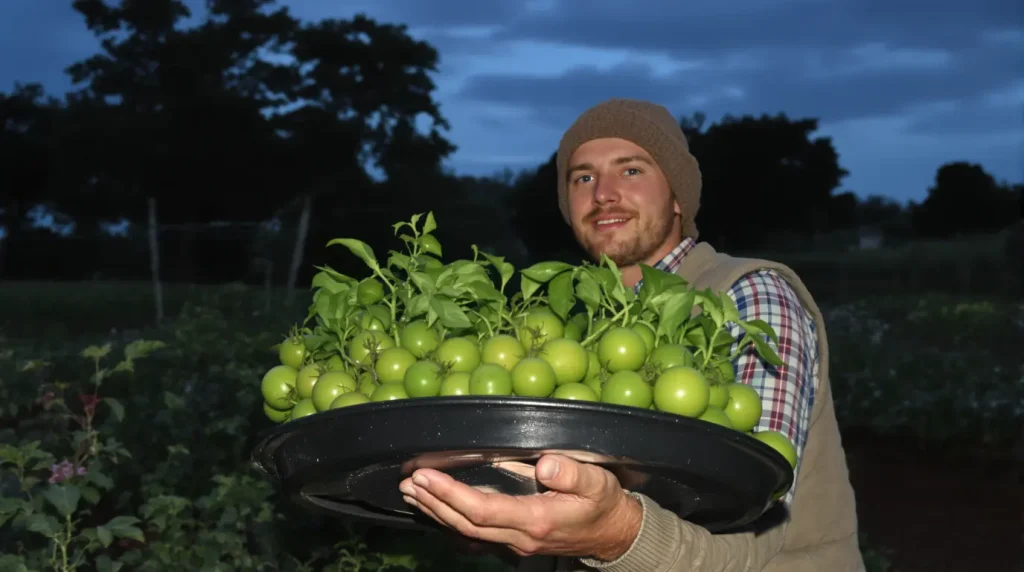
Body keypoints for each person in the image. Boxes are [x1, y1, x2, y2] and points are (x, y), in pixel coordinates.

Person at [398, 98, 865, 571]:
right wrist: (500, 523)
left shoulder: (750, 298)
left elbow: (754, 519)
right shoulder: (574, 331)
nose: (603, 194)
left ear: (678, 196)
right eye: (583, 177)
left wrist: (616, 535)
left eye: (632, 171)